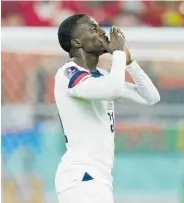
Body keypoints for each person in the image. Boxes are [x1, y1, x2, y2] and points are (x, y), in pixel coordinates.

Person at [54, 13, 160, 203]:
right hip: (82, 175)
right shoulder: (68, 73)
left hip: (98, 176)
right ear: (77, 41)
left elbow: (151, 97)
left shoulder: (102, 76)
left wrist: (129, 62)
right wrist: (117, 54)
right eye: (93, 28)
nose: (102, 32)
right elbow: (113, 90)